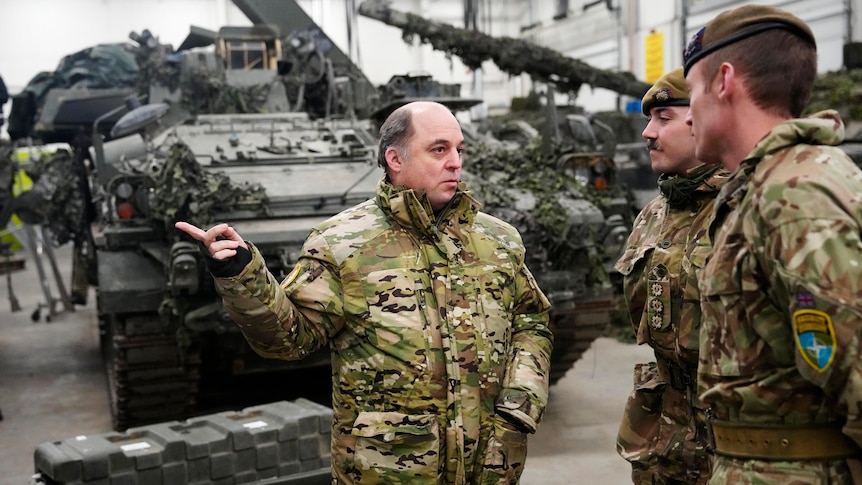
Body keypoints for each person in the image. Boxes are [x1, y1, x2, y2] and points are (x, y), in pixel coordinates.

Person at [175, 100, 553, 485]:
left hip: (490, 467)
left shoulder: (497, 240)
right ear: (395, 159)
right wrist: (243, 276)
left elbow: (530, 320)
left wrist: (519, 404)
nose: (455, 161)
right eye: (439, 149)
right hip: (388, 469)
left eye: (459, 149)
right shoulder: (343, 244)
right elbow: (289, 340)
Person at [683, 4, 862, 483]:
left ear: (723, 81)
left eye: (693, 91)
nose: (687, 117)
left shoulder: (791, 194)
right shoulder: (769, 184)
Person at [614, 67, 728, 485]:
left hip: (732, 437)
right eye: (650, 120)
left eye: (664, 119)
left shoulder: (746, 208)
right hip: (667, 433)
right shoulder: (654, 215)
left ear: (704, 119)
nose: (648, 133)